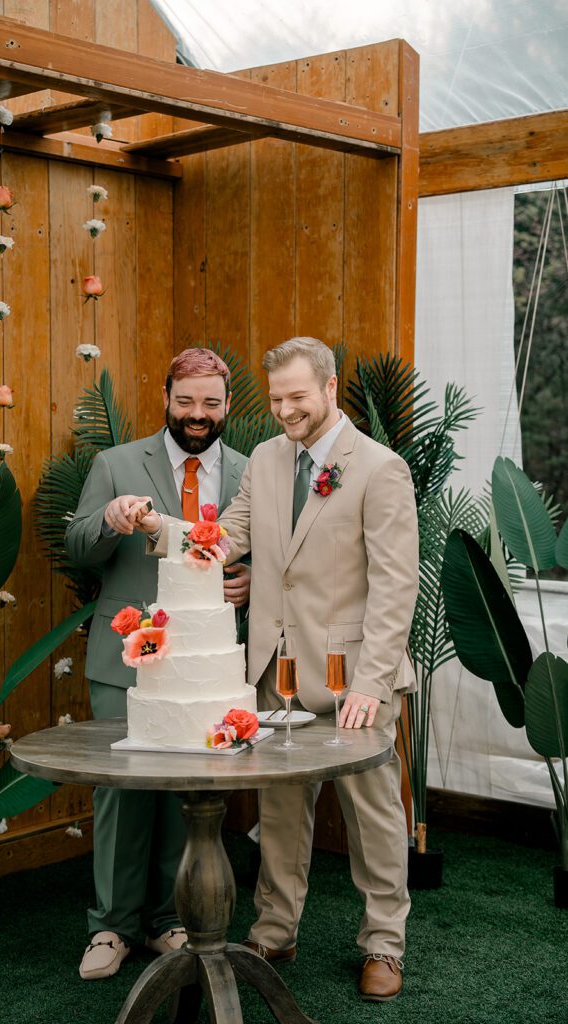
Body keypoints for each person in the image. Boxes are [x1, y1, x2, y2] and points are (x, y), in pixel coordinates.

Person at [126, 336, 419, 1002]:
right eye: (277, 398)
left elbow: (395, 585)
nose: (285, 410)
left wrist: (372, 685)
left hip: (353, 680)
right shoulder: (264, 459)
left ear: (329, 387)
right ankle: (274, 929)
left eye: (297, 398)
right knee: (281, 814)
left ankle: (383, 945)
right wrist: (157, 528)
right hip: (276, 676)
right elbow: (225, 534)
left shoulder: (378, 468)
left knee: (373, 818)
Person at [64, 348, 250, 980]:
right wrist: (110, 522)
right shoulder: (116, 463)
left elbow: (262, 557)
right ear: (166, 397)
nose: (197, 415)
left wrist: (247, 580)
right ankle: (110, 927)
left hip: (205, 661)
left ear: (228, 404)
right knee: (122, 793)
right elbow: (77, 546)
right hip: (127, 656)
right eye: (185, 401)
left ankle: (170, 920)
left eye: (211, 403)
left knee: (186, 790)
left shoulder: (251, 472)